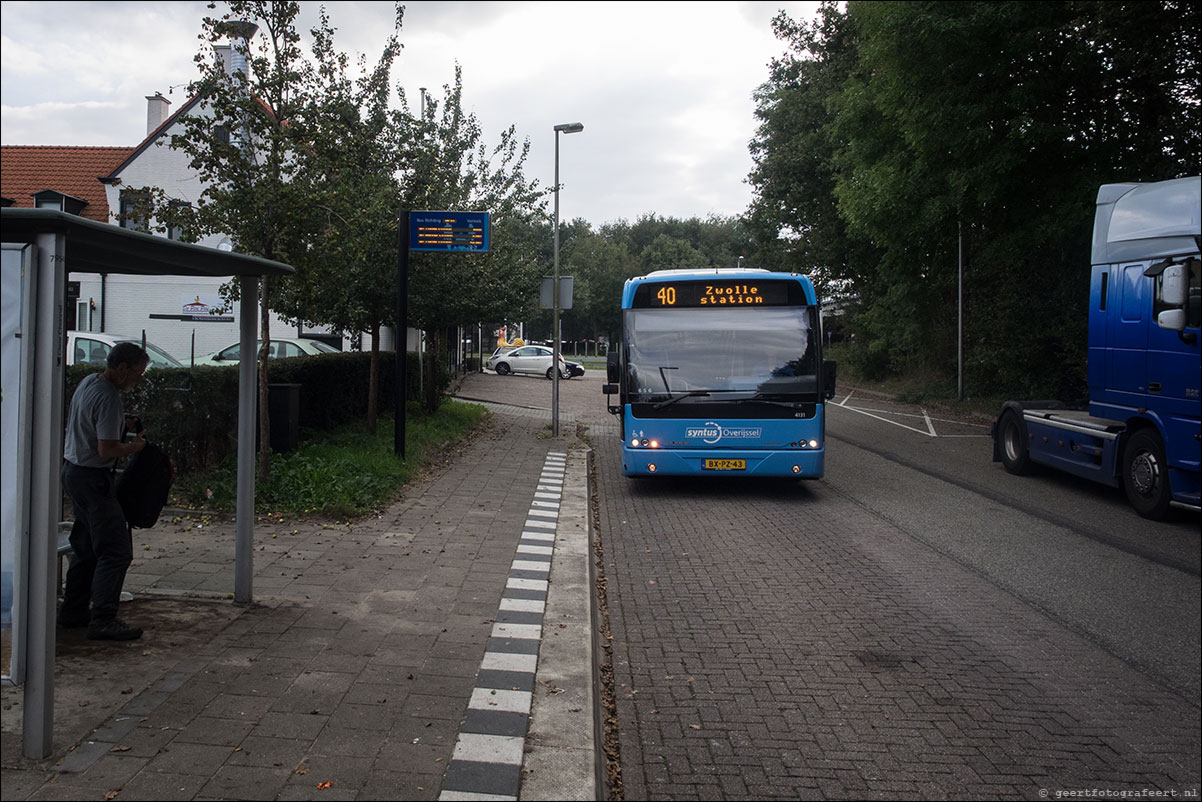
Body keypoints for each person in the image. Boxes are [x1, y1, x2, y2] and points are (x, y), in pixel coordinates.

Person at [59, 341, 149, 641]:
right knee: (115, 550)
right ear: (122, 369)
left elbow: (89, 422)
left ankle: (72, 611)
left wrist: (118, 424)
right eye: (138, 373)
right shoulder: (109, 397)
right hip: (94, 480)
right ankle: (104, 619)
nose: (139, 380)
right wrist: (133, 447)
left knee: (85, 547)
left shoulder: (89, 382)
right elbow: (106, 449)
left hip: (73, 473)